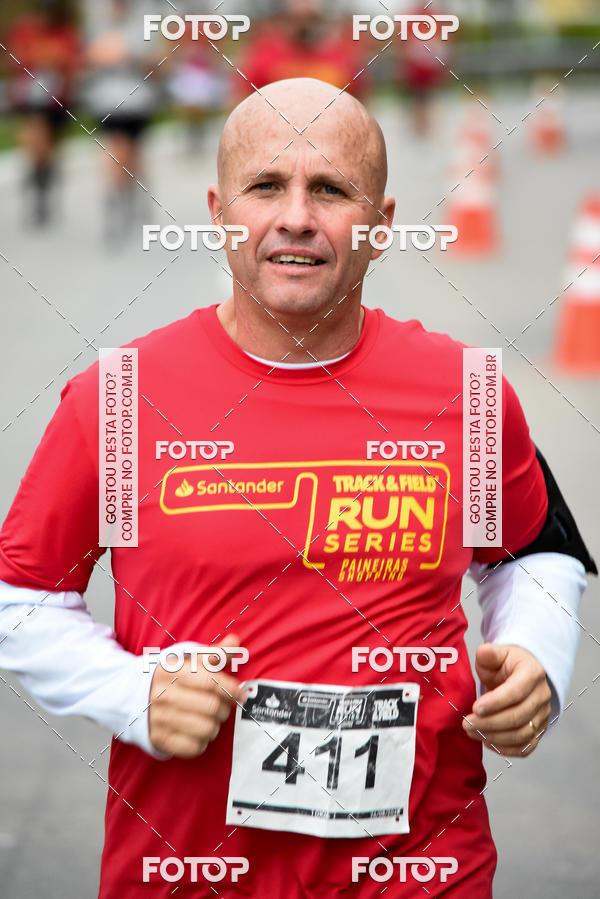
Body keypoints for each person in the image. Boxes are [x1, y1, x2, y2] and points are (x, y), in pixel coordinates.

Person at [0, 78, 595, 897]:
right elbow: (21, 594)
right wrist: (129, 692)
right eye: (266, 186)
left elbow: (532, 551)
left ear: (381, 225)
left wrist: (537, 658)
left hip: (421, 867)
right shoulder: (119, 398)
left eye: (332, 190)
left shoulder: (469, 393)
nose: (296, 218)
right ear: (219, 213)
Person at [5, 0, 81, 225]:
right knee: (35, 140)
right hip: (30, 99)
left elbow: (72, 62)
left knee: (49, 150)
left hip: (57, 100)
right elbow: (14, 59)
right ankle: (38, 190)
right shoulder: (24, 31)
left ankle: (44, 184)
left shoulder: (65, 34)